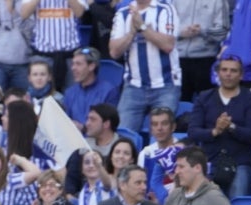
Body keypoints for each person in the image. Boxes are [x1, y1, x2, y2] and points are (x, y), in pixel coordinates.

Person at [188, 56, 251, 199]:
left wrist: (231, 127)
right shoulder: (204, 97)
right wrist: (215, 131)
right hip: (209, 162)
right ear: (218, 73)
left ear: (241, 75)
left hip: (239, 162)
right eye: (224, 70)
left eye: (233, 71)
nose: (228, 74)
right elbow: (193, 132)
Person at [109, 0, 181, 131]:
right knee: (123, 136)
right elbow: (114, 52)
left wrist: (142, 27)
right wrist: (131, 32)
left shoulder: (165, 9)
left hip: (165, 84)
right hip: (133, 86)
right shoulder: (122, 13)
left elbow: (168, 45)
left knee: (161, 138)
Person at [172, 0, 229, 103]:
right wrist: (180, 32)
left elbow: (223, 31)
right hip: (177, 60)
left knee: (207, 104)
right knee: (178, 105)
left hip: (205, 60)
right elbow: (165, 28)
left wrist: (202, 31)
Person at [63, 47, 121, 131]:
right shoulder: (69, 92)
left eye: (78, 64)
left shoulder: (109, 91)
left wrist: (84, 128)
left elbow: (109, 124)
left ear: (91, 66)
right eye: (73, 64)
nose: (73, 68)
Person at [0, 0, 32, 92]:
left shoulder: (26, 3)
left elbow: (31, 35)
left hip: (22, 63)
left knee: (23, 101)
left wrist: (13, 12)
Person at [138, 106, 183, 205]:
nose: (159, 128)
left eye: (164, 123)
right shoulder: (145, 154)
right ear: (151, 129)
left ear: (173, 127)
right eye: (155, 124)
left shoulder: (183, 150)